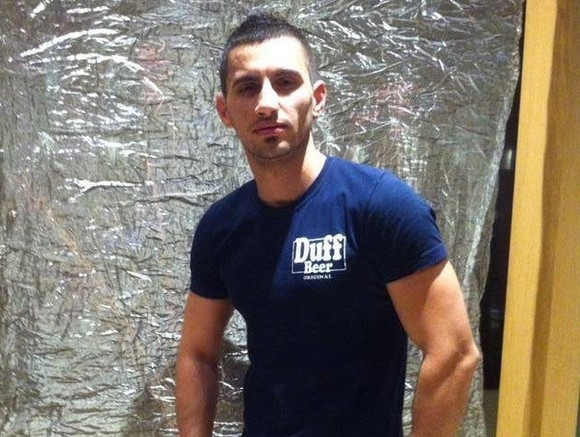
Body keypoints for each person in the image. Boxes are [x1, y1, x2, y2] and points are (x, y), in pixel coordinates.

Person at [175, 12, 480, 437]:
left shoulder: (380, 207)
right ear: (224, 111)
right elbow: (196, 354)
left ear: (317, 98)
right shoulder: (222, 228)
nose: (266, 103)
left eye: (285, 82)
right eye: (248, 87)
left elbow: (454, 354)